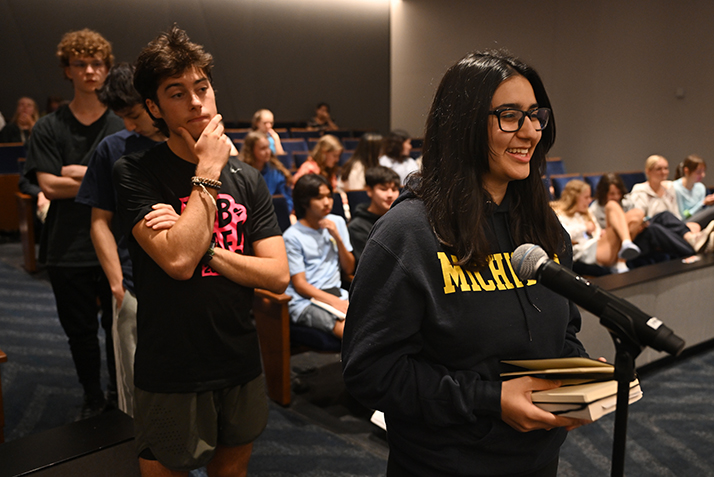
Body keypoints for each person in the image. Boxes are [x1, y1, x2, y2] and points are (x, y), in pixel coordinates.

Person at [342, 50, 592, 477]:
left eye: (536, 115)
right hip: (445, 463)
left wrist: (576, 374)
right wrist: (490, 398)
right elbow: (371, 372)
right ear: (463, 125)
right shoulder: (407, 234)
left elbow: (562, 330)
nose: (530, 131)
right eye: (510, 115)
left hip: (537, 459)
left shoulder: (541, 225)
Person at [113, 25, 288, 476]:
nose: (195, 101)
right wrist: (208, 168)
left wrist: (204, 248)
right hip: (172, 366)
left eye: (202, 88)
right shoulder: (135, 172)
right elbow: (175, 262)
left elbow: (276, 275)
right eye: (176, 93)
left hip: (239, 360)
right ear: (153, 107)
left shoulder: (248, 179)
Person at [23, 28, 123, 419]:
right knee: (79, 331)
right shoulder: (49, 126)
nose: (90, 71)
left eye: (97, 64)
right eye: (80, 64)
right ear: (67, 70)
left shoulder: (120, 124)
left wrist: (77, 173)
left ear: (106, 68)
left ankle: (119, 394)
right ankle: (92, 396)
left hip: (116, 244)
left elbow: (126, 183)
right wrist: (101, 176)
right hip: (67, 246)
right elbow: (47, 184)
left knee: (119, 329)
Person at [75, 62, 173, 417]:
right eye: (123, 117)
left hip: (185, 279)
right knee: (135, 386)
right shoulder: (112, 148)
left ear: (152, 103)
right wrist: (117, 284)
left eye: (133, 115)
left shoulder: (188, 142)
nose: (130, 125)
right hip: (132, 283)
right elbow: (99, 223)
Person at [283, 174, 354, 339]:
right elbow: (300, 285)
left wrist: (337, 237)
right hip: (305, 301)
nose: (327, 202)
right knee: (353, 334)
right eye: (319, 198)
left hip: (337, 293)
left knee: (379, 320)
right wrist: (334, 302)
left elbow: (349, 268)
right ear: (304, 201)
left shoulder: (337, 222)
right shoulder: (292, 236)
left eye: (329, 196)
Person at [553, 179, 641, 271]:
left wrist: (600, 233)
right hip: (586, 251)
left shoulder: (587, 212)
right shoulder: (559, 214)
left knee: (637, 214)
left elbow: (597, 231)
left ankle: (622, 256)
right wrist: (585, 228)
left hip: (599, 244)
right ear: (574, 197)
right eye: (586, 197)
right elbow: (563, 237)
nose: (589, 200)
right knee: (611, 205)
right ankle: (625, 245)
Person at [347, 166, 400, 265]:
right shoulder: (357, 226)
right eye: (383, 189)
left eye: (394, 189)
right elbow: (369, 265)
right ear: (369, 191)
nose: (390, 194)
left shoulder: (401, 219)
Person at [241, 130, 294, 212]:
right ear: (251, 150)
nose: (268, 152)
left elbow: (287, 202)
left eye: (268, 147)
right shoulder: (241, 173)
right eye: (263, 148)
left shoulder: (277, 173)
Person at [673, 154, 714, 228]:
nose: (702, 175)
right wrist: (702, 203)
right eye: (698, 172)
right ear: (686, 170)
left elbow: (703, 212)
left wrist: (709, 203)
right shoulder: (676, 188)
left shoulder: (700, 187)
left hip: (700, 220)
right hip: (684, 222)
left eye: (703, 171)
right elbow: (682, 216)